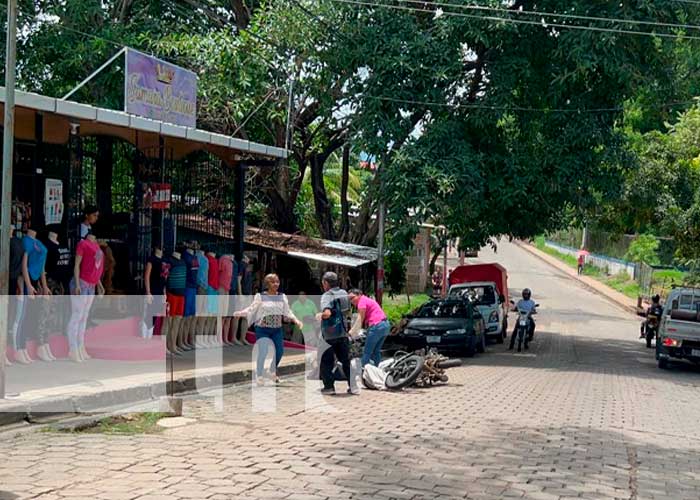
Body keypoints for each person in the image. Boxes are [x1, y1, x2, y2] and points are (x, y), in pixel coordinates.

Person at [234, 273, 302, 384]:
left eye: (277, 281)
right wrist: (241, 313)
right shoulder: (260, 297)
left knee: (279, 352)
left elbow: (288, 311)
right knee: (263, 351)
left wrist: (296, 320)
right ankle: (259, 375)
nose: (276, 284)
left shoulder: (282, 297)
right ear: (267, 284)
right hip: (262, 329)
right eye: (272, 282)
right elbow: (252, 309)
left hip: (276, 329)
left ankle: (271, 371)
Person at [316, 271, 354, 395]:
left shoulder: (327, 295)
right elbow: (347, 311)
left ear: (326, 283)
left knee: (325, 359)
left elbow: (327, 313)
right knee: (345, 360)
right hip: (342, 332)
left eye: (323, 283)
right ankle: (353, 386)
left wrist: (319, 315)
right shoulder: (344, 293)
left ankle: (329, 387)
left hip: (329, 334)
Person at [348, 289, 390, 367]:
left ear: (359, 295)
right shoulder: (367, 300)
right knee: (376, 351)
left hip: (376, 326)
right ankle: (377, 371)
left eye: (352, 298)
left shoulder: (361, 302)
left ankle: (363, 375)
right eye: (349, 299)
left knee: (367, 352)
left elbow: (360, 319)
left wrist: (351, 332)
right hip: (385, 325)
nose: (351, 301)